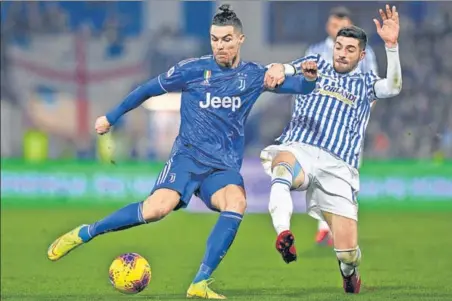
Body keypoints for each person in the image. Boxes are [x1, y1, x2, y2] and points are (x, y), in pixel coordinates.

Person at [46, 5, 318, 299]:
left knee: (236, 202)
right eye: (215, 39)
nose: (220, 46)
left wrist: (307, 75)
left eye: (227, 39)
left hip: (222, 167)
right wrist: (111, 117)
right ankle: (87, 232)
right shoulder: (192, 70)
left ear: (241, 39)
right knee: (156, 209)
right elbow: (147, 89)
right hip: (186, 160)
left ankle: (199, 282)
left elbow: (302, 87)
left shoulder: (253, 76)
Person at [262, 4, 402, 293]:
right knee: (282, 170)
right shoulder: (315, 63)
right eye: (339, 46)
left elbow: (394, 87)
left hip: (338, 165)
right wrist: (278, 69)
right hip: (300, 146)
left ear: (361, 55)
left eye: (350, 49)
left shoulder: (365, 83)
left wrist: (391, 46)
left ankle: (349, 273)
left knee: (348, 253)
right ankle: (283, 234)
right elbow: (286, 67)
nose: (342, 53)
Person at [306, 6, 380, 246]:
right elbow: (304, 85)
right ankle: (324, 225)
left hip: (349, 124)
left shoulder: (364, 53)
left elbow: (373, 87)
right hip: (320, 122)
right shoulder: (315, 51)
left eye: (344, 25)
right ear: (329, 26)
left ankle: (341, 225)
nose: (339, 29)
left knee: (347, 175)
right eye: (335, 25)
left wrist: (362, 114)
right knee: (319, 172)